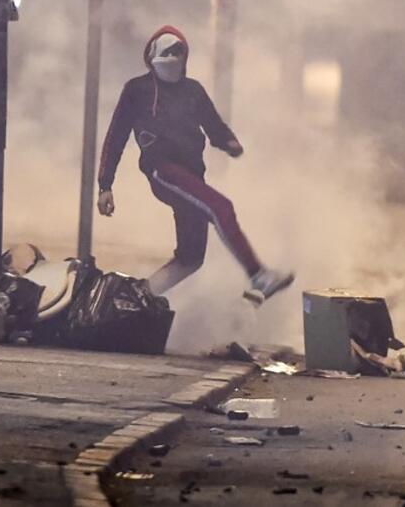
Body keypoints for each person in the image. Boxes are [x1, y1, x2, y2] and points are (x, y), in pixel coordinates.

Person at [96, 25, 294, 305]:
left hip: (192, 176)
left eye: (179, 52)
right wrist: (105, 185)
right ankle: (258, 275)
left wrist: (229, 142)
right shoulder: (137, 90)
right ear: (152, 56)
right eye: (169, 52)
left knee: (191, 258)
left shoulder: (193, 90)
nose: (174, 58)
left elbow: (213, 125)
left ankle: (135, 297)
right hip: (163, 170)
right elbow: (115, 136)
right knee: (221, 208)